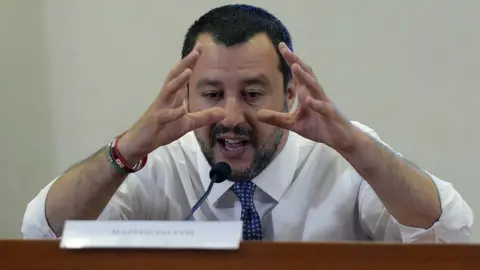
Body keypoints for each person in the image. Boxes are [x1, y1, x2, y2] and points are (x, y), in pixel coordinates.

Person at [22, 4, 473, 242]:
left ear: (290, 92)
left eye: (253, 95)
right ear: (185, 93)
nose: (232, 118)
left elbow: (451, 236)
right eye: (213, 94)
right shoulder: (154, 161)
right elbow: (42, 234)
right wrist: (126, 149)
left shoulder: (343, 155)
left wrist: (357, 149)